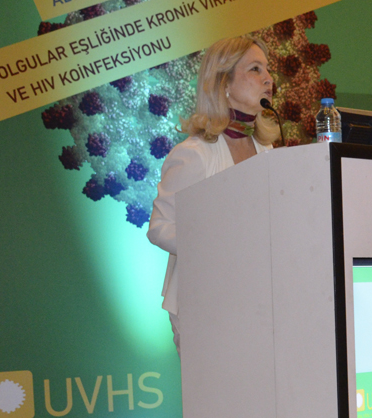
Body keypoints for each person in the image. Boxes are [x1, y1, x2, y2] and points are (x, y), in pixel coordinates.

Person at [147, 36, 280, 358]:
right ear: (224, 84)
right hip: (206, 308)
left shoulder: (268, 151)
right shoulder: (194, 154)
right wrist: (218, 244)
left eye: (267, 69)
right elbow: (160, 227)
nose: (269, 79)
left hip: (264, 305)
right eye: (255, 69)